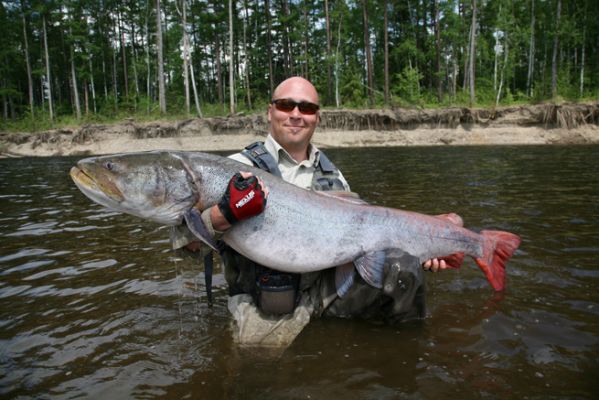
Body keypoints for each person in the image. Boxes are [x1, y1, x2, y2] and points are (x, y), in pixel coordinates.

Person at [171, 76, 454, 347]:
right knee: (258, 372)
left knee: (404, 268)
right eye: (286, 105)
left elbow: (365, 239)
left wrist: (422, 250)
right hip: (263, 304)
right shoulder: (232, 171)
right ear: (270, 112)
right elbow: (187, 245)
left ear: (317, 117)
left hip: (326, 293)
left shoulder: (334, 178)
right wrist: (223, 215)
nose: (296, 114)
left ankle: (401, 355)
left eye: (306, 108)